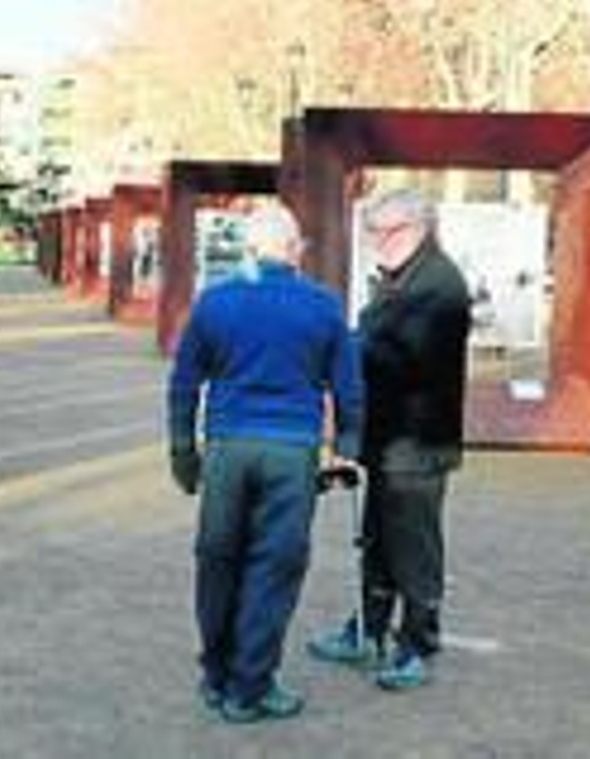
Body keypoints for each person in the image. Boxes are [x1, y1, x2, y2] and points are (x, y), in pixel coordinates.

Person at [167, 201, 364, 723]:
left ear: (247, 249)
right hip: (291, 452)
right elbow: (348, 386)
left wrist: (184, 453)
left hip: (228, 448)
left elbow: (185, 383)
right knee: (273, 568)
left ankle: (216, 673)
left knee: (218, 560)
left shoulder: (215, 303)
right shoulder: (323, 305)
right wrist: (347, 443)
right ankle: (250, 688)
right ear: (296, 250)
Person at [307, 188, 472, 692]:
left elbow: (401, 356)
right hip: (389, 439)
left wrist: (343, 348)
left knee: (413, 546)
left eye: (389, 230)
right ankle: (369, 627)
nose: (379, 241)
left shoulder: (439, 284)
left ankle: (418, 642)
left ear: (419, 227)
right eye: (373, 231)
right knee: (377, 538)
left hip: (418, 443)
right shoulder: (400, 279)